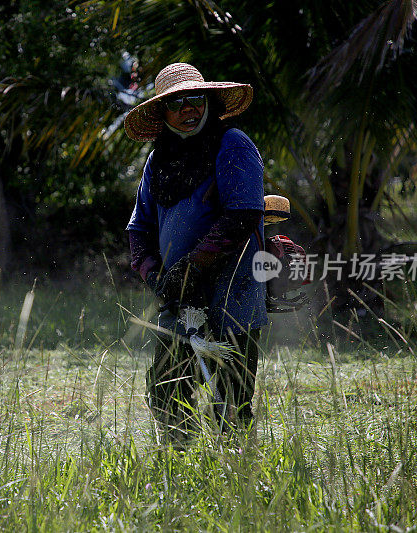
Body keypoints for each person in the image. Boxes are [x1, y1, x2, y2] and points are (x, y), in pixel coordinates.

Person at [124, 62, 267, 446]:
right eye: (177, 104)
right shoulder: (157, 160)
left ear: (209, 101)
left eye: (195, 99)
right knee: (167, 389)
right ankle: (178, 466)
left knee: (232, 396)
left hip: (232, 289)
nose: (188, 109)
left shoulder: (232, 143)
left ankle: (238, 471)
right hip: (179, 292)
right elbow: (139, 231)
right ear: (162, 114)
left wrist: (192, 267)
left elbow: (243, 215)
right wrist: (159, 278)